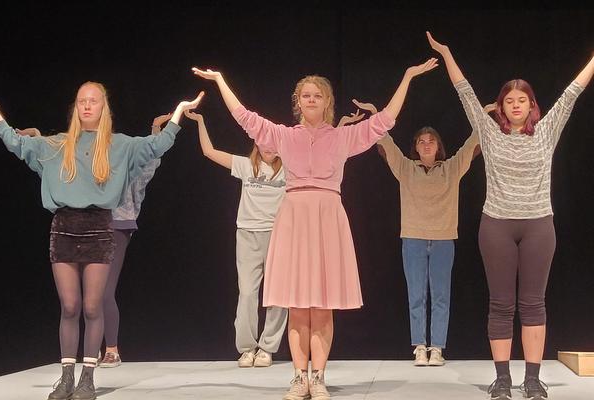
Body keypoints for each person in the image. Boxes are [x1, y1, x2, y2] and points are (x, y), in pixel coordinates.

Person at [192, 58, 438, 400]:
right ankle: (298, 377)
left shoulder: (342, 137)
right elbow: (244, 118)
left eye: (317, 96)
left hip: (327, 218)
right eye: (305, 96)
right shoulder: (282, 136)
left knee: (322, 306)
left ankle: (318, 377)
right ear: (297, 102)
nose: (311, 100)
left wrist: (408, 76)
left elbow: (384, 122)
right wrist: (220, 81)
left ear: (327, 103)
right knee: (297, 305)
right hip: (294, 219)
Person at [0, 82, 203, 400]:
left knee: (93, 306)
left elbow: (158, 145)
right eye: (81, 101)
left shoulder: (120, 146)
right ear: (75, 107)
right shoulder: (57, 145)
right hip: (63, 227)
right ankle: (66, 378)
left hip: (100, 227)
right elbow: (14, 141)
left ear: (104, 108)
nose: (87, 106)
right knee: (69, 306)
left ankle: (87, 378)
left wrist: (178, 112)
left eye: (93, 101)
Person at [427, 31, 594, 399]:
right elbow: (464, 92)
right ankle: (502, 379)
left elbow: (572, 92)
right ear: (500, 106)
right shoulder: (488, 132)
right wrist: (447, 53)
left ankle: (532, 380)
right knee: (501, 303)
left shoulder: (547, 131)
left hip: (538, 225)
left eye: (522, 99)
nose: (515, 104)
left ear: (531, 105)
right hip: (497, 226)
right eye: (509, 100)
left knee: (534, 303)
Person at [352, 96, 480, 367]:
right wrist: (376, 116)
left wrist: (483, 115)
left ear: (438, 145)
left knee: (441, 295)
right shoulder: (406, 168)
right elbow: (384, 141)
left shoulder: (452, 168)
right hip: (412, 238)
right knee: (417, 294)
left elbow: (473, 143)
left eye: (431, 140)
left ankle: (437, 348)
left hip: (444, 238)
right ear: (415, 147)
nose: (426, 144)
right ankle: (419, 346)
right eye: (421, 141)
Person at [186, 109, 288, 368]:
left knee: (277, 296)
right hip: (247, 235)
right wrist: (200, 120)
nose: (269, 147)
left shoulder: (289, 170)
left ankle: (267, 348)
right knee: (247, 293)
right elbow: (209, 152)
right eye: (264, 141)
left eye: (274, 143)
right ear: (256, 141)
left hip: (278, 237)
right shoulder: (245, 165)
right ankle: (247, 348)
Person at [98, 112, 173, 368]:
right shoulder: (85, 155)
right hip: (88, 225)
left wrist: (155, 129)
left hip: (118, 224)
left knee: (105, 290)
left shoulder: (126, 154)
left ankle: (111, 349)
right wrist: (39, 139)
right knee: (89, 294)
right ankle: (92, 349)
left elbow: (150, 160)